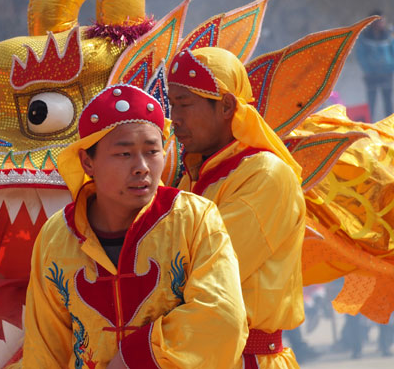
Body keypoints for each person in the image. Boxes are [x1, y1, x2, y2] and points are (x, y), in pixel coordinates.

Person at [19, 85, 248, 368]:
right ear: (87, 162)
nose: (142, 167)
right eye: (124, 154)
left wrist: (134, 359)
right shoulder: (57, 236)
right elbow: (45, 349)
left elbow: (222, 317)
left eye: (152, 151)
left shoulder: (193, 219)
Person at [168, 47, 306, 368]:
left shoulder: (265, 176)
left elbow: (203, 271)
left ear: (227, 106)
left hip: (250, 359)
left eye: (184, 104)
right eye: (172, 104)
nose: (174, 117)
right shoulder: (191, 177)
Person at [355, 11, 394, 120]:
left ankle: (390, 125)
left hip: (387, 72)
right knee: (371, 102)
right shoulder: (364, 36)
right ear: (371, 22)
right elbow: (360, 54)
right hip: (371, 74)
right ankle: (369, 124)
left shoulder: (389, 35)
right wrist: (367, 69)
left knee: (388, 101)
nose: (380, 23)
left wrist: (391, 67)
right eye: (377, 21)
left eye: (382, 21)